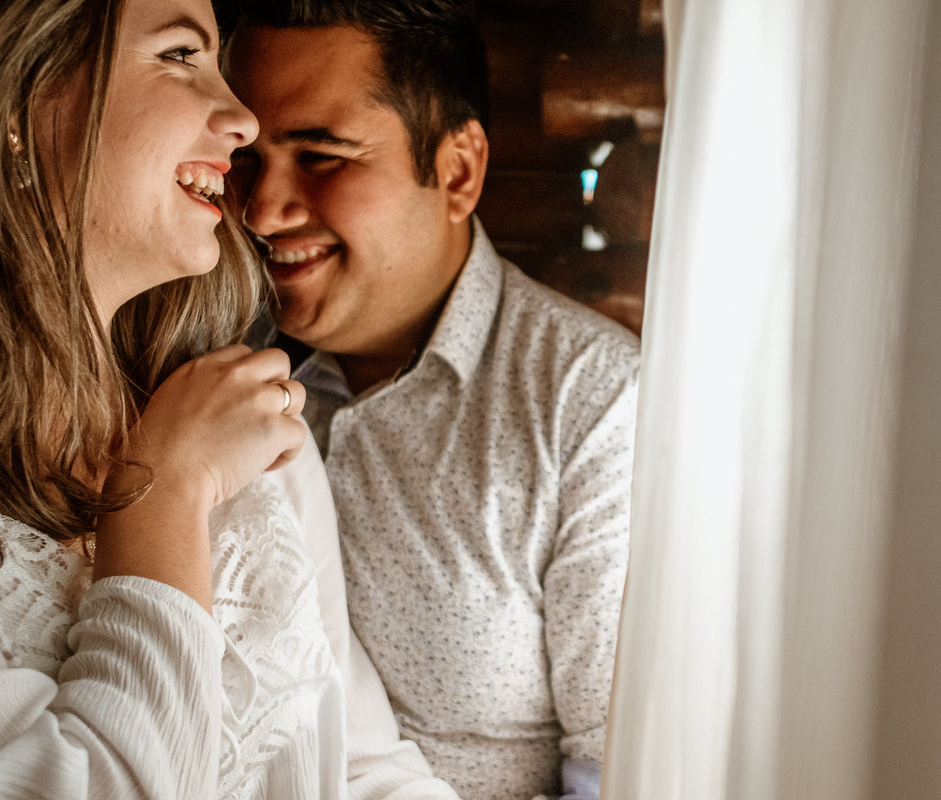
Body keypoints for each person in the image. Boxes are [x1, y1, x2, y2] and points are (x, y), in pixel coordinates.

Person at [0, 1, 460, 798]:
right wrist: (160, 500)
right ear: (13, 96)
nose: (241, 117)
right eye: (178, 56)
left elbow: (362, 769)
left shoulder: (241, 425)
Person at [221, 2, 640, 797]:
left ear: (457, 171)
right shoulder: (204, 367)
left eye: (321, 156)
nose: (262, 210)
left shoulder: (594, 407)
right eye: (245, 159)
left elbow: (616, 778)